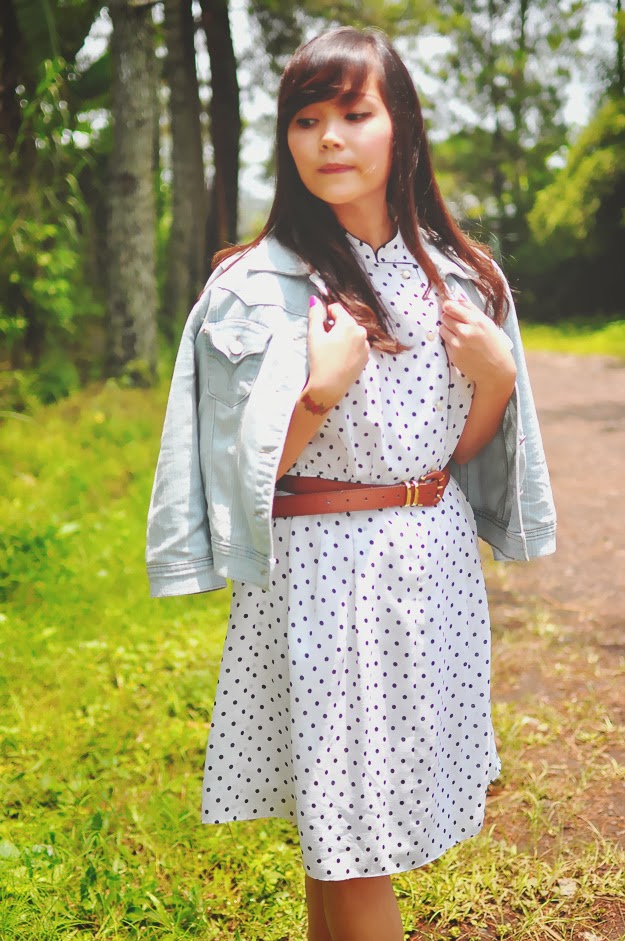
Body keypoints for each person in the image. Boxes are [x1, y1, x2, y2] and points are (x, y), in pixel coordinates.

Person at [146, 26, 556, 941]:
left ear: (399, 126)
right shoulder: (255, 285)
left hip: (430, 565)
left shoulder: (466, 278)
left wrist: (494, 379)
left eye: (353, 113)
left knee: (346, 827)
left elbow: (455, 453)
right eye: (306, 119)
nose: (328, 137)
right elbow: (245, 473)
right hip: (322, 572)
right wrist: (320, 389)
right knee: (355, 833)